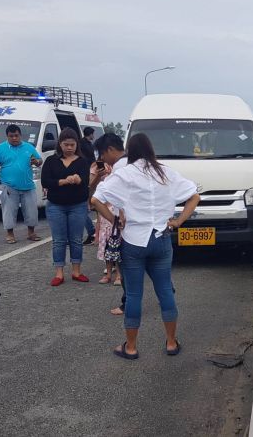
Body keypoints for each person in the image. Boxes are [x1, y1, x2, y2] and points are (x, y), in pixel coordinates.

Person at [92, 133, 200, 360]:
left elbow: (95, 199)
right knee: (165, 291)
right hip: (161, 238)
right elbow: (194, 196)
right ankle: (171, 342)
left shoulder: (125, 174)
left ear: (130, 150)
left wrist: (114, 221)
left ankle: (130, 347)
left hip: (133, 241)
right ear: (150, 149)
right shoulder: (166, 173)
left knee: (133, 295)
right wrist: (178, 221)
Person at [40, 128, 91, 286]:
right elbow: (45, 181)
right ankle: (59, 272)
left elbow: (86, 180)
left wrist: (78, 179)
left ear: (77, 145)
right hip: (56, 205)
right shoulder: (51, 161)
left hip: (78, 205)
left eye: (72, 144)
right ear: (59, 144)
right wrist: (63, 181)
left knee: (76, 239)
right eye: (66, 144)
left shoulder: (82, 161)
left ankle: (76, 270)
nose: (69, 148)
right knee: (59, 240)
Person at [0, 124, 42, 244]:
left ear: (20, 135)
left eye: (16, 135)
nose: (14, 138)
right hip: (9, 186)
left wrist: (36, 161)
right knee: (9, 211)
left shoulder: (29, 147)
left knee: (32, 211)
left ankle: (31, 232)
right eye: (11, 136)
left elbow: (39, 161)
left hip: (28, 185)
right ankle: (10, 234)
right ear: (7, 136)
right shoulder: (0, 149)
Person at [91, 133, 126, 314]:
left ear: (111, 149)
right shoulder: (145, 164)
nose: (102, 159)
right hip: (155, 230)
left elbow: (94, 200)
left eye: (103, 154)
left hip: (132, 230)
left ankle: (127, 305)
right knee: (159, 273)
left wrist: (115, 221)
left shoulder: (119, 170)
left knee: (130, 272)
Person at [81, 127, 97, 245]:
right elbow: (94, 160)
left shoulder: (82, 144)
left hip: (88, 177)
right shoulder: (87, 146)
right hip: (88, 176)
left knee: (82, 208)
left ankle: (93, 232)